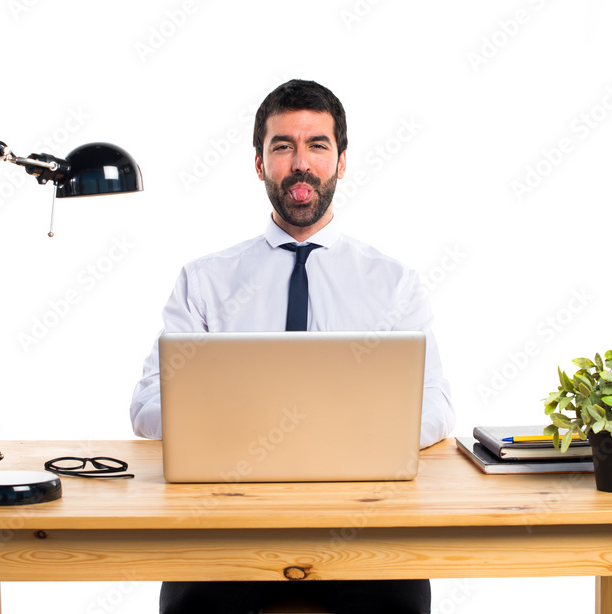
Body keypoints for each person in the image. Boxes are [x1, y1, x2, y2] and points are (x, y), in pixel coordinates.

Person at [130, 79, 455, 614]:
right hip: (227, 530)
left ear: (342, 161)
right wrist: (255, 432)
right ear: (259, 164)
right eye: (283, 147)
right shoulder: (204, 280)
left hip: (363, 529)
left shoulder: (393, 283)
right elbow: (146, 404)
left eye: (317, 146)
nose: (300, 163)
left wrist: (325, 436)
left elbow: (436, 403)